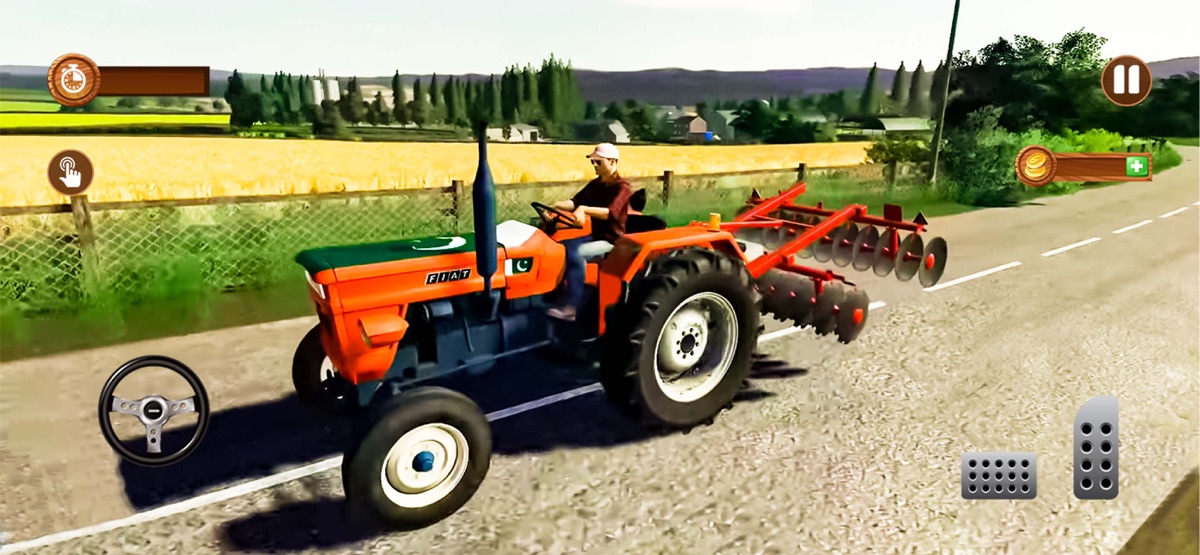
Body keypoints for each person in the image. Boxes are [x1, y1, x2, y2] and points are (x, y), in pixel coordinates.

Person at [546, 143, 633, 321]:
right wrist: (554, 206)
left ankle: (572, 306)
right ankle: (555, 294)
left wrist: (584, 209)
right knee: (560, 248)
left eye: (598, 162)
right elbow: (575, 202)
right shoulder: (596, 185)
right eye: (593, 161)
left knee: (576, 253)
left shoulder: (622, 188)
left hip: (611, 241)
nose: (594, 165)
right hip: (595, 236)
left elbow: (610, 213)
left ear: (612, 161)